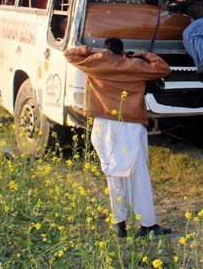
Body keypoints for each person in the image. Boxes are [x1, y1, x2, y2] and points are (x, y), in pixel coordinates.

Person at [64, 38, 172, 238]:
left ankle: (118, 223)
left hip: (103, 125)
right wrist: (142, 54)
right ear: (123, 52)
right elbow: (163, 67)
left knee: (113, 174)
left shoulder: (95, 63)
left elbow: (69, 53)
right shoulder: (134, 65)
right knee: (139, 176)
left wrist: (97, 51)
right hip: (130, 124)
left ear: (105, 50)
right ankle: (146, 224)